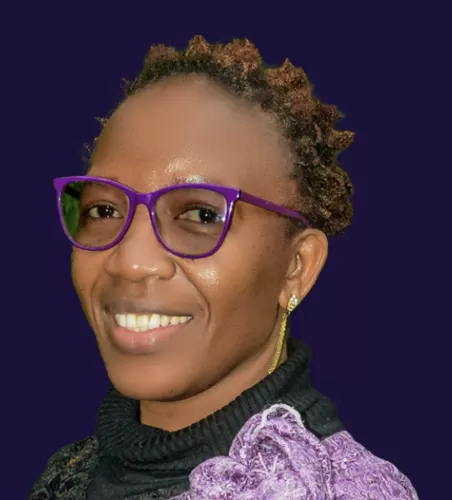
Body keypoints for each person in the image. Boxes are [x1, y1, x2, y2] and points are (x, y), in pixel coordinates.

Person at [30, 35, 418, 499]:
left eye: (200, 215)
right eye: (104, 210)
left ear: (297, 266)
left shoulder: (332, 489)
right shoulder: (72, 471)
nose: (131, 262)